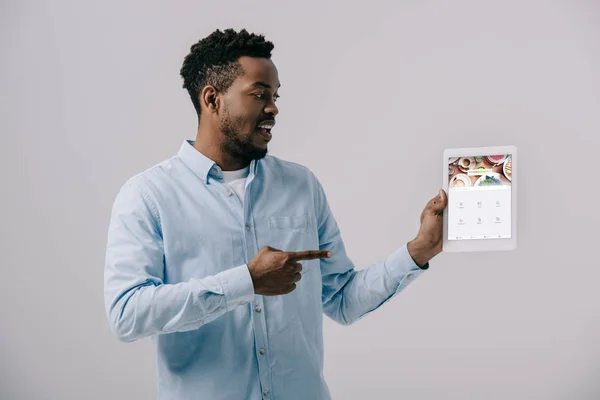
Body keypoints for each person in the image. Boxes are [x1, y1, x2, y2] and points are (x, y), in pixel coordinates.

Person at [104, 28, 448, 400]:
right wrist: (245, 281)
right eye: (259, 94)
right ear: (212, 99)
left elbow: (343, 300)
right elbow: (126, 313)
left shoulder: (301, 186)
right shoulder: (149, 196)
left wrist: (419, 251)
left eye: (275, 95)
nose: (273, 107)